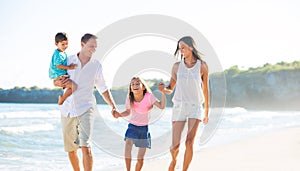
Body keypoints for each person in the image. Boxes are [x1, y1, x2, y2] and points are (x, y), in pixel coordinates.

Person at [59, 33, 117, 171]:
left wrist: (113, 106)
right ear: (82, 44)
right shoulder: (68, 61)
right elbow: (57, 80)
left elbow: (103, 88)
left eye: (95, 47)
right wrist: (61, 83)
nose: (93, 49)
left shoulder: (96, 66)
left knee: (86, 146)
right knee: (71, 149)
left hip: (86, 108)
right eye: (91, 46)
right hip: (67, 109)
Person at [162, 36, 210, 171]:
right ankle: (173, 161)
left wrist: (206, 112)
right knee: (175, 146)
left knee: (189, 142)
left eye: (183, 47)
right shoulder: (177, 67)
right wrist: (163, 89)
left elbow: (205, 90)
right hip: (179, 107)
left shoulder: (202, 66)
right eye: (179, 48)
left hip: (195, 108)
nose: (181, 50)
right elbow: (170, 88)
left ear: (191, 47)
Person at [114, 77, 166, 171]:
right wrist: (119, 115)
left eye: (137, 83)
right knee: (128, 145)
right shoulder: (130, 98)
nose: (135, 85)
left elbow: (161, 106)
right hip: (132, 127)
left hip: (144, 129)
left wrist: (163, 92)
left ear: (143, 87)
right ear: (130, 88)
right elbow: (127, 112)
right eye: (132, 84)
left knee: (140, 159)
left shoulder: (149, 96)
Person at [48, 32, 78, 105]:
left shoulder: (63, 53)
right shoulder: (57, 54)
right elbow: (58, 65)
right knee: (74, 86)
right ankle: (62, 99)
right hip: (58, 77)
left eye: (66, 44)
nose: (65, 46)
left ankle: (63, 98)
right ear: (56, 44)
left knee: (74, 87)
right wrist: (69, 67)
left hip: (62, 76)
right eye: (63, 44)